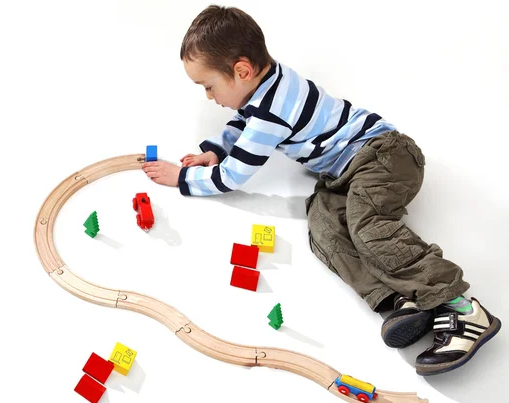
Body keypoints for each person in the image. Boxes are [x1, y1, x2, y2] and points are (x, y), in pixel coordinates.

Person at [141, 5, 501, 376]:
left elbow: (233, 176)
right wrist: (213, 150)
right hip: (343, 176)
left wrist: (181, 179)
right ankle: (403, 301)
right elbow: (242, 121)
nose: (208, 96)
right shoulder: (267, 82)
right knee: (323, 229)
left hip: (384, 156)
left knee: (367, 226)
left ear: (242, 71)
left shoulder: (271, 113)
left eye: (209, 86)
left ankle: (462, 309)